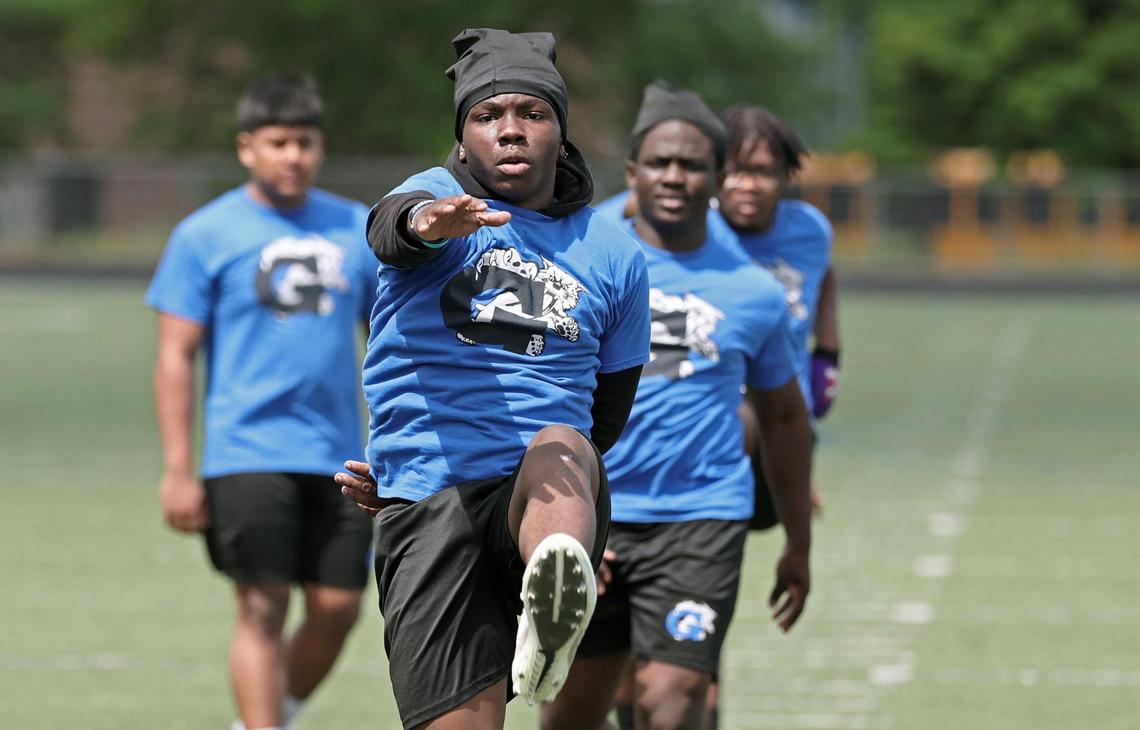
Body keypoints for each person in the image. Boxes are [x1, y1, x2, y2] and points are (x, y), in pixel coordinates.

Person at [334, 28, 651, 730]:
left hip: (537, 499)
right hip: (428, 496)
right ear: (464, 134)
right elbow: (391, 230)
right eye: (489, 116)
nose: (510, 131)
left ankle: (555, 586)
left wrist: (577, 520)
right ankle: (554, 594)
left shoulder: (613, 251)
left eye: (532, 114)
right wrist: (430, 224)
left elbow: (610, 414)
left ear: (560, 133)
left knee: (565, 443)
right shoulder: (435, 197)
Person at [538, 81, 813, 730]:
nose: (674, 177)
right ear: (632, 173)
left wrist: (798, 542)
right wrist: (565, 521)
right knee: (571, 715)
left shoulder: (754, 293)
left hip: (701, 518)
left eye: (692, 164)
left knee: (677, 696)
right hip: (593, 512)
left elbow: (784, 421)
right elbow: (537, 390)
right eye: (659, 163)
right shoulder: (579, 263)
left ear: (716, 178)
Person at [146, 73, 377, 730]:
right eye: (278, 143)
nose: (293, 157)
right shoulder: (204, 234)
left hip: (338, 454)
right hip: (246, 451)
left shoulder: (356, 228)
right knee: (262, 607)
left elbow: (388, 341)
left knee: (338, 607)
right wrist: (177, 467)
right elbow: (175, 355)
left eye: (304, 143)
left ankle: (268, 717)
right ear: (247, 148)